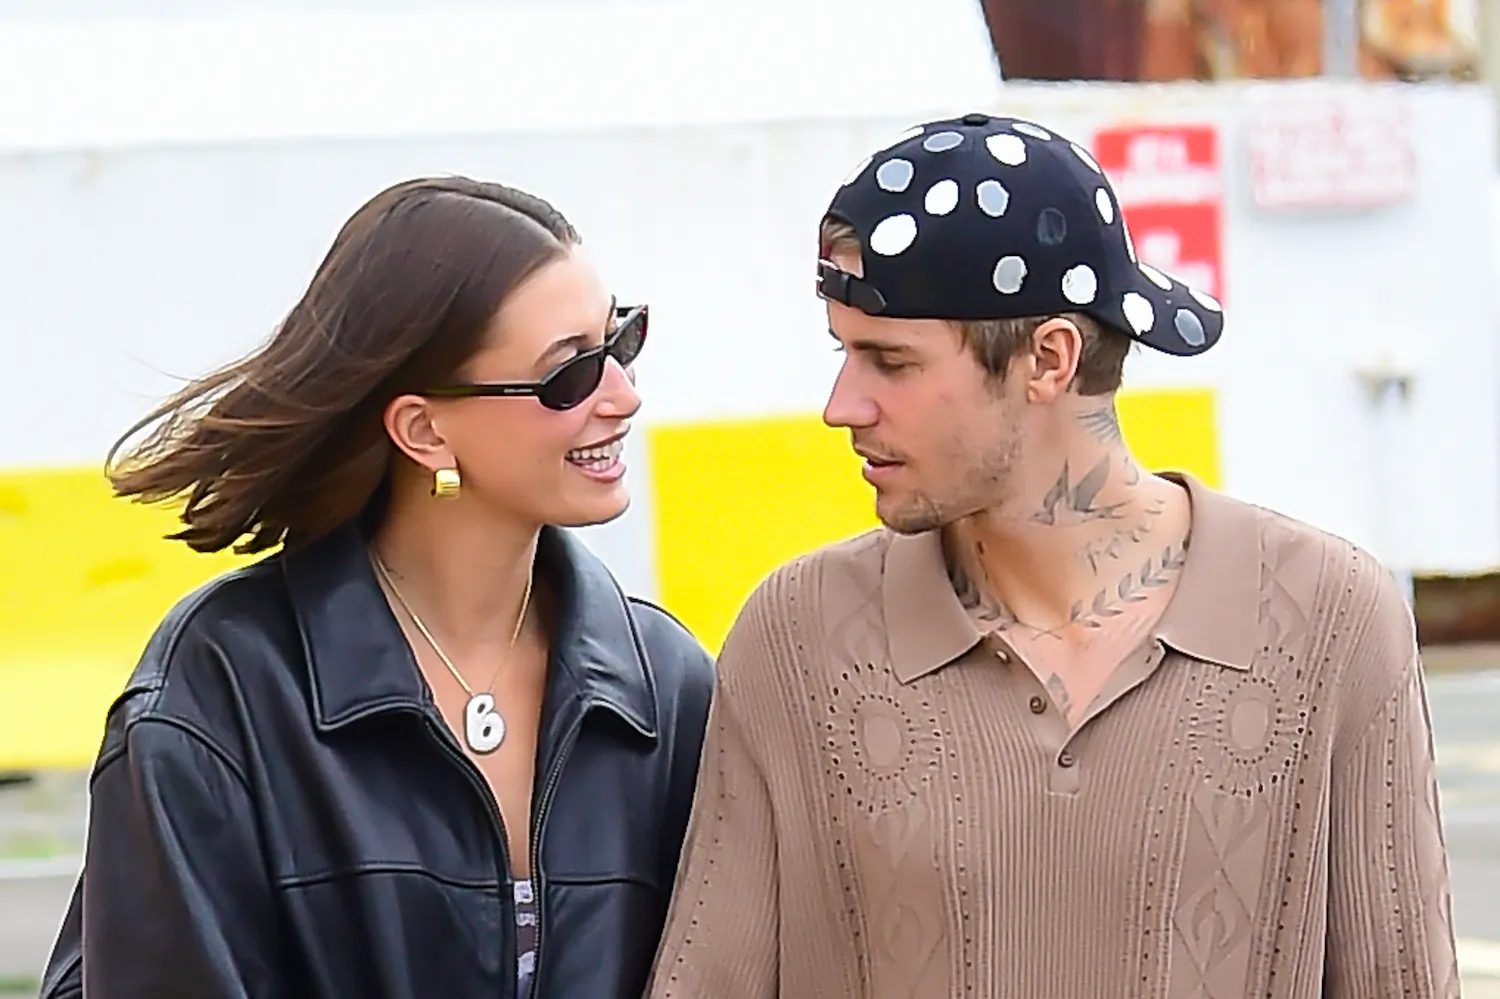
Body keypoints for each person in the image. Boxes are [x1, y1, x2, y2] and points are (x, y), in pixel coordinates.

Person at [646, 113, 1460, 998]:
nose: (843, 405)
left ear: (1049, 357)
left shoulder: (1333, 621)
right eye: (844, 353)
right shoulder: (796, 640)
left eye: (890, 361)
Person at [39, 176, 714, 999]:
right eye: (568, 376)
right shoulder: (222, 696)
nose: (623, 396)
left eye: (623, 341)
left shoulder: (667, 688)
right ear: (424, 431)